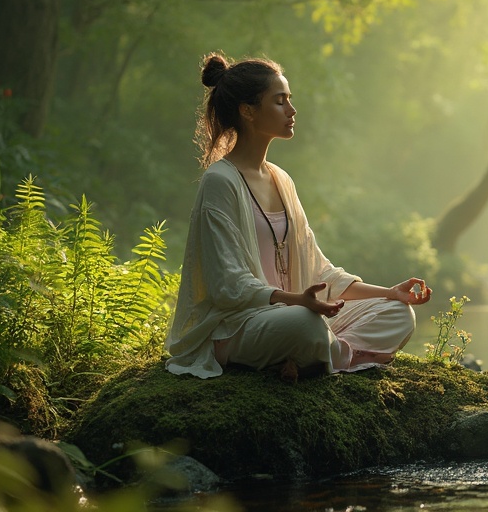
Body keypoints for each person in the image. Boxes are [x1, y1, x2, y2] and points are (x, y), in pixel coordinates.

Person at [165, 52, 431, 381]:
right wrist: (296, 301)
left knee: (398, 314)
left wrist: (391, 293)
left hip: (294, 318)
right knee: (305, 322)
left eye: (289, 100)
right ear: (248, 111)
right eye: (280, 101)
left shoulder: (281, 179)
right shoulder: (220, 181)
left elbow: (322, 273)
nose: (292, 110)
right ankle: (329, 357)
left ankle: (310, 358)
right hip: (241, 328)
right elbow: (227, 285)